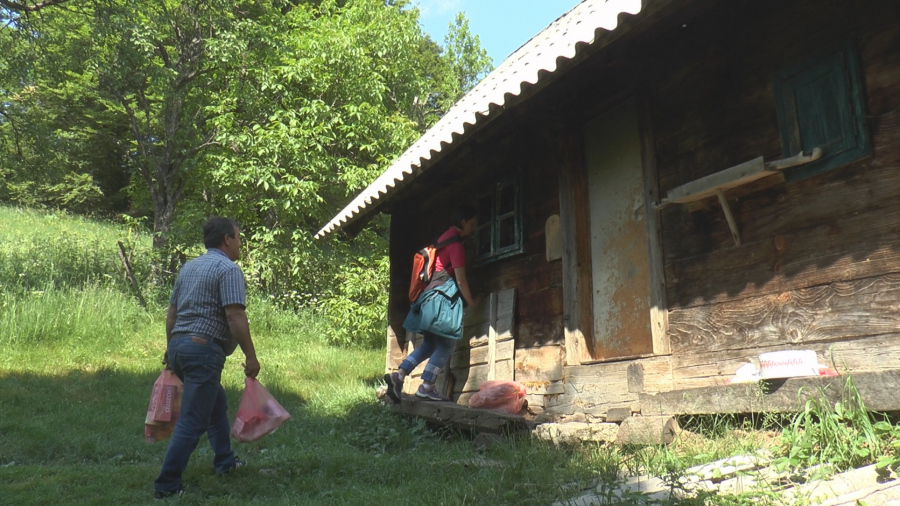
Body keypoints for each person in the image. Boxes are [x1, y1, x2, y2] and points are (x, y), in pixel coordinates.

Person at [153, 217, 260, 499]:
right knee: (193, 419)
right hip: (203, 350)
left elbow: (172, 313)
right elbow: (235, 315)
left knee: (216, 402)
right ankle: (167, 483)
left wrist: (170, 347)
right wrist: (251, 356)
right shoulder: (228, 269)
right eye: (238, 238)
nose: (240, 244)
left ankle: (225, 462)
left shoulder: (189, 267)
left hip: (179, 347)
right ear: (227, 239)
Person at [384, 204, 479, 402]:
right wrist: (472, 301)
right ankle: (427, 385)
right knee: (447, 344)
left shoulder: (442, 240)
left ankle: (398, 375)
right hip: (441, 300)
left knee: (429, 344)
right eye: (472, 224)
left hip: (427, 300)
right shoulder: (456, 246)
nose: (474, 228)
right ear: (463, 223)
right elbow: (460, 280)